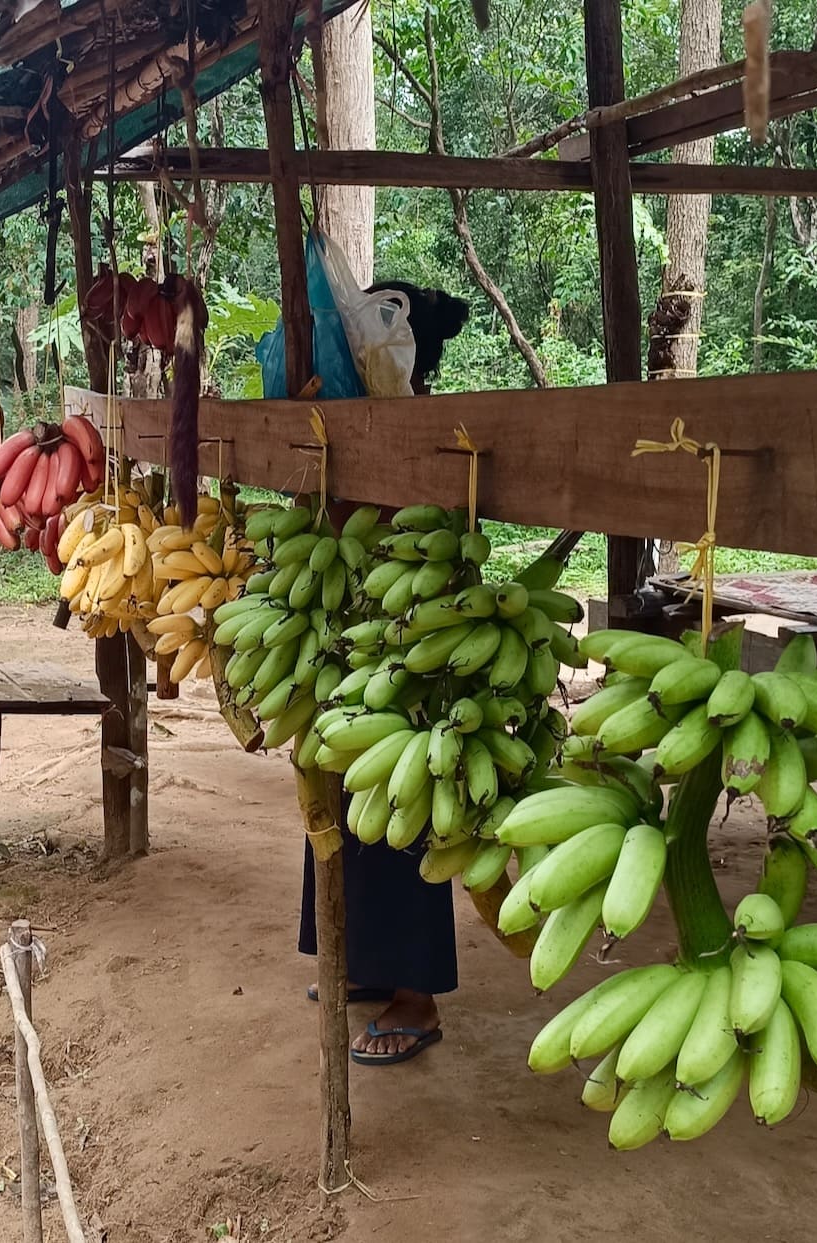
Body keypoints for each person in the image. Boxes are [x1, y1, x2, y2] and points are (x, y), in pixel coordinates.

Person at [299, 281, 471, 1067]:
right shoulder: (358, 418)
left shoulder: (428, 432)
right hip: (354, 642)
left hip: (415, 658)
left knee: (400, 818)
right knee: (340, 806)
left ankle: (416, 996)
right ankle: (364, 961)